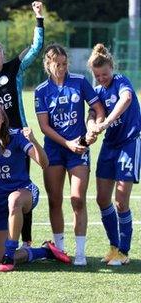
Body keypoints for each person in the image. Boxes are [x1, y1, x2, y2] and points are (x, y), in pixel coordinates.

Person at [0, 1, 45, 246]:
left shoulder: (14, 69)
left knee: (21, 185)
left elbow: (36, 48)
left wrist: (39, 19)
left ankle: (26, 241)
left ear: (3, 55)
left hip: (17, 139)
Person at [0, 102, 70, 272]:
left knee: (14, 199)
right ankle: (45, 251)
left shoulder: (16, 136)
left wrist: (33, 140)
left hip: (24, 193)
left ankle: (9, 257)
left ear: (3, 119)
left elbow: (44, 163)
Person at [35, 44, 105, 266]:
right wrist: (67, 143)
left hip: (79, 150)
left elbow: (99, 110)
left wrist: (92, 129)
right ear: (48, 65)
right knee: (55, 200)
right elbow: (44, 127)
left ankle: (81, 253)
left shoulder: (80, 82)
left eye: (65, 64)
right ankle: (61, 250)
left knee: (77, 200)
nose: (62, 68)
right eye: (58, 65)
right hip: (55, 150)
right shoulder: (41, 91)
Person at [87, 43, 141, 266]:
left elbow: (126, 99)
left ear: (112, 68)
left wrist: (107, 122)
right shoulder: (98, 91)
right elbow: (92, 112)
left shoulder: (121, 81)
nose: (102, 79)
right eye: (98, 76)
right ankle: (113, 246)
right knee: (102, 199)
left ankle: (124, 251)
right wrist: (92, 125)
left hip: (129, 143)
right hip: (109, 146)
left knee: (121, 201)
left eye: (105, 74)